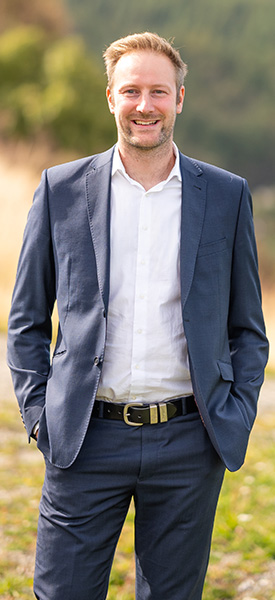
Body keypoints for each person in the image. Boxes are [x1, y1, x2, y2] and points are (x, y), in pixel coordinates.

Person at [7, 31, 268, 600]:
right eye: (131, 91)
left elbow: (248, 326)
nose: (144, 105)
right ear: (110, 97)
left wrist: (237, 411)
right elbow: (26, 319)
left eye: (158, 91)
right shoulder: (60, 189)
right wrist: (39, 415)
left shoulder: (227, 195)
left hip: (189, 440)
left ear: (179, 99)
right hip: (83, 438)